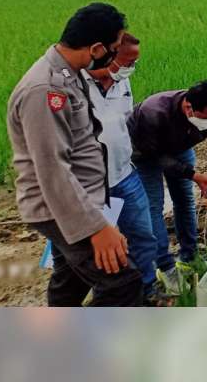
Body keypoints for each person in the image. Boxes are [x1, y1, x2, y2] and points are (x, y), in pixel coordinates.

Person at [7, 3, 142, 306]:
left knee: (71, 282)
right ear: (96, 48)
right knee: (123, 283)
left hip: (81, 200)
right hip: (61, 207)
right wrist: (97, 228)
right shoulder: (45, 90)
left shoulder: (69, 74)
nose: (114, 57)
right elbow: (52, 169)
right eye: (113, 49)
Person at [127, 81, 207, 293]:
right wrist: (193, 175)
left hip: (180, 147)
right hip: (145, 153)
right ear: (188, 108)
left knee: (185, 199)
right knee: (153, 207)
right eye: (206, 117)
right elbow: (155, 155)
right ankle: (165, 267)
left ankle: (189, 255)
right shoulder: (153, 112)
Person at [82, 32, 160, 304]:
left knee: (143, 236)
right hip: (90, 186)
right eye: (128, 61)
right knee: (100, 250)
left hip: (125, 174)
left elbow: (126, 123)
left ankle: (148, 289)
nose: (131, 67)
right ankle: (106, 299)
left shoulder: (123, 82)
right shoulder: (75, 85)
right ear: (109, 55)